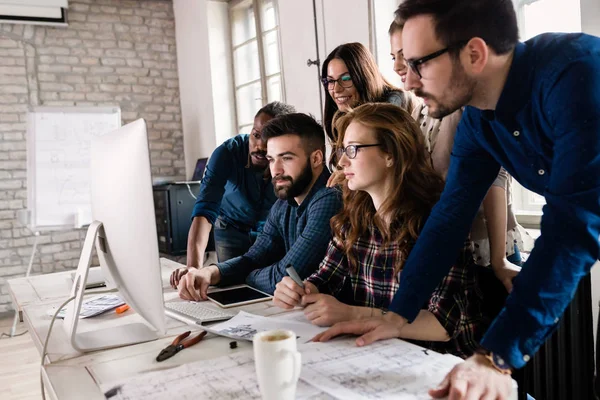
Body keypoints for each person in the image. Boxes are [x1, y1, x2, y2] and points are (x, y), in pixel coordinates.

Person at [316, 1, 600, 399]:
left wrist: (496, 357)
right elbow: (449, 217)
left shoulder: (577, 75)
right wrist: (400, 314)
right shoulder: (478, 119)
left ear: (474, 54)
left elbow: (570, 226)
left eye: (420, 64)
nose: (409, 82)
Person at [274, 103, 488, 359]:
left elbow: (443, 325)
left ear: (391, 154)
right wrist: (301, 290)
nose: (341, 162)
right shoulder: (351, 221)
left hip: (440, 366)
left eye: (352, 150)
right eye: (343, 150)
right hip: (377, 356)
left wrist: (351, 313)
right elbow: (325, 279)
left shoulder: (437, 222)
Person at [389, 19, 529, 314]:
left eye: (408, 56)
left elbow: (495, 179)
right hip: (453, 241)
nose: (400, 67)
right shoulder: (423, 108)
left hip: (486, 244)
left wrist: (499, 260)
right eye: (395, 57)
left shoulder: (465, 100)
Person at [177, 113, 342, 300]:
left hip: (337, 318)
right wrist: (210, 273)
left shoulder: (329, 199)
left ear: (316, 158)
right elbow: (253, 257)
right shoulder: (283, 204)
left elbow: (283, 277)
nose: (276, 170)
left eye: (286, 158)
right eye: (271, 159)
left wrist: (246, 275)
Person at [170, 102, 295, 289]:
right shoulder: (226, 153)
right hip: (230, 228)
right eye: (256, 135)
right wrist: (193, 269)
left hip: (269, 232)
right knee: (229, 286)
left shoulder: (288, 161)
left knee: (269, 286)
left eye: (269, 138)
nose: (260, 145)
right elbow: (205, 210)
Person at [321, 42, 419, 147]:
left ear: (365, 77)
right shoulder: (339, 117)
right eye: (330, 81)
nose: (336, 89)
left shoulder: (395, 102)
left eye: (346, 78)